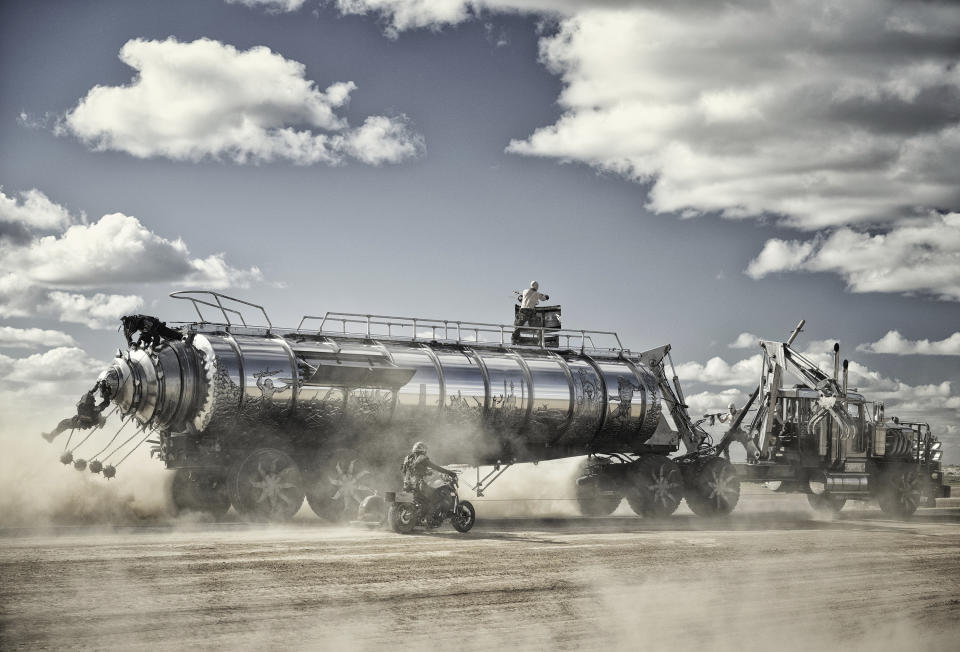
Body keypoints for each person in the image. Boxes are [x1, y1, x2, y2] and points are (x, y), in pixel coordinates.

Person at [42, 382, 111, 442]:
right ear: (92, 402)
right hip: (90, 422)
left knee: (63, 423)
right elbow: (106, 402)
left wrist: (95, 388)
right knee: (100, 417)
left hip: (79, 422)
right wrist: (105, 392)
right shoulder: (95, 410)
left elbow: (89, 394)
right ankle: (51, 437)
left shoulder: (80, 406)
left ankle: (51, 436)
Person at [401, 442, 455, 518]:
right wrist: (449, 472)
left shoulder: (408, 459)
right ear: (423, 450)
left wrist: (425, 472)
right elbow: (436, 467)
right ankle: (430, 518)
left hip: (408, 485)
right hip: (419, 485)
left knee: (425, 501)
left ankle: (424, 517)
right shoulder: (423, 458)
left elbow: (406, 471)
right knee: (436, 498)